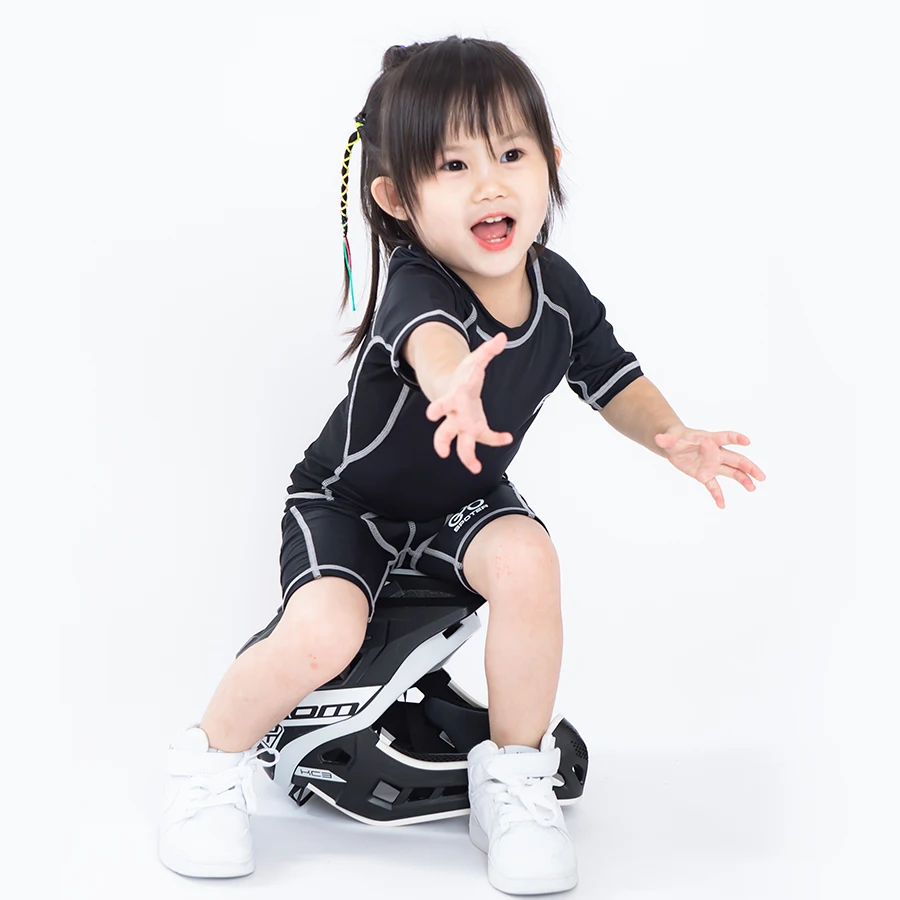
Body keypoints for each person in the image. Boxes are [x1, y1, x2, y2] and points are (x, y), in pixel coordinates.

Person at [158, 36, 766, 895]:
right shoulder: (418, 281)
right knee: (326, 631)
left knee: (529, 560)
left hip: (461, 501)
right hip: (350, 505)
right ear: (397, 199)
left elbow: (614, 378)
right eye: (454, 165)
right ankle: (207, 765)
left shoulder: (558, 291)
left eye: (512, 154)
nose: (490, 184)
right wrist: (452, 382)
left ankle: (513, 777)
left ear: (551, 164)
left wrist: (672, 434)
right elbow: (432, 343)